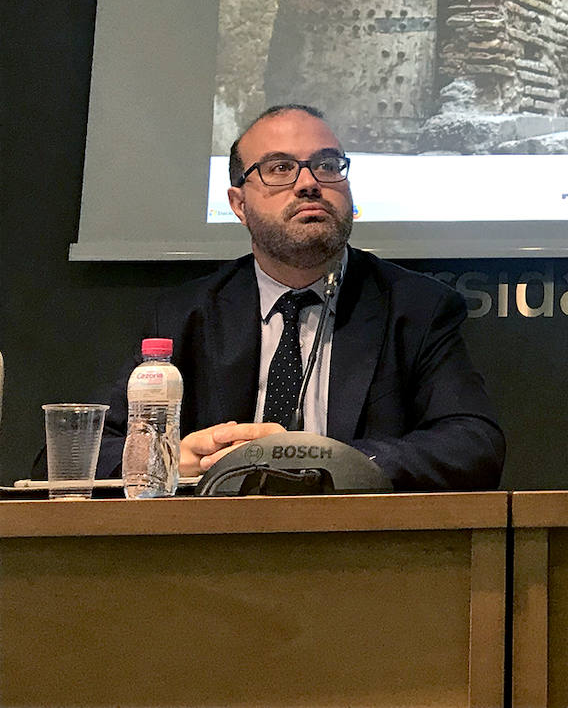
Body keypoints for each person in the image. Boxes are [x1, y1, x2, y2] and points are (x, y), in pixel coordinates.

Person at [91, 104, 504, 491]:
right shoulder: (185, 315)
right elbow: (90, 451)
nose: (309, 183)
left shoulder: (416, 308)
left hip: (361, 546)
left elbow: (473, 445)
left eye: (327, 166)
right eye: (280, 168)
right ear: (238, 203)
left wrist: (321, 461)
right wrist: (162, 460)